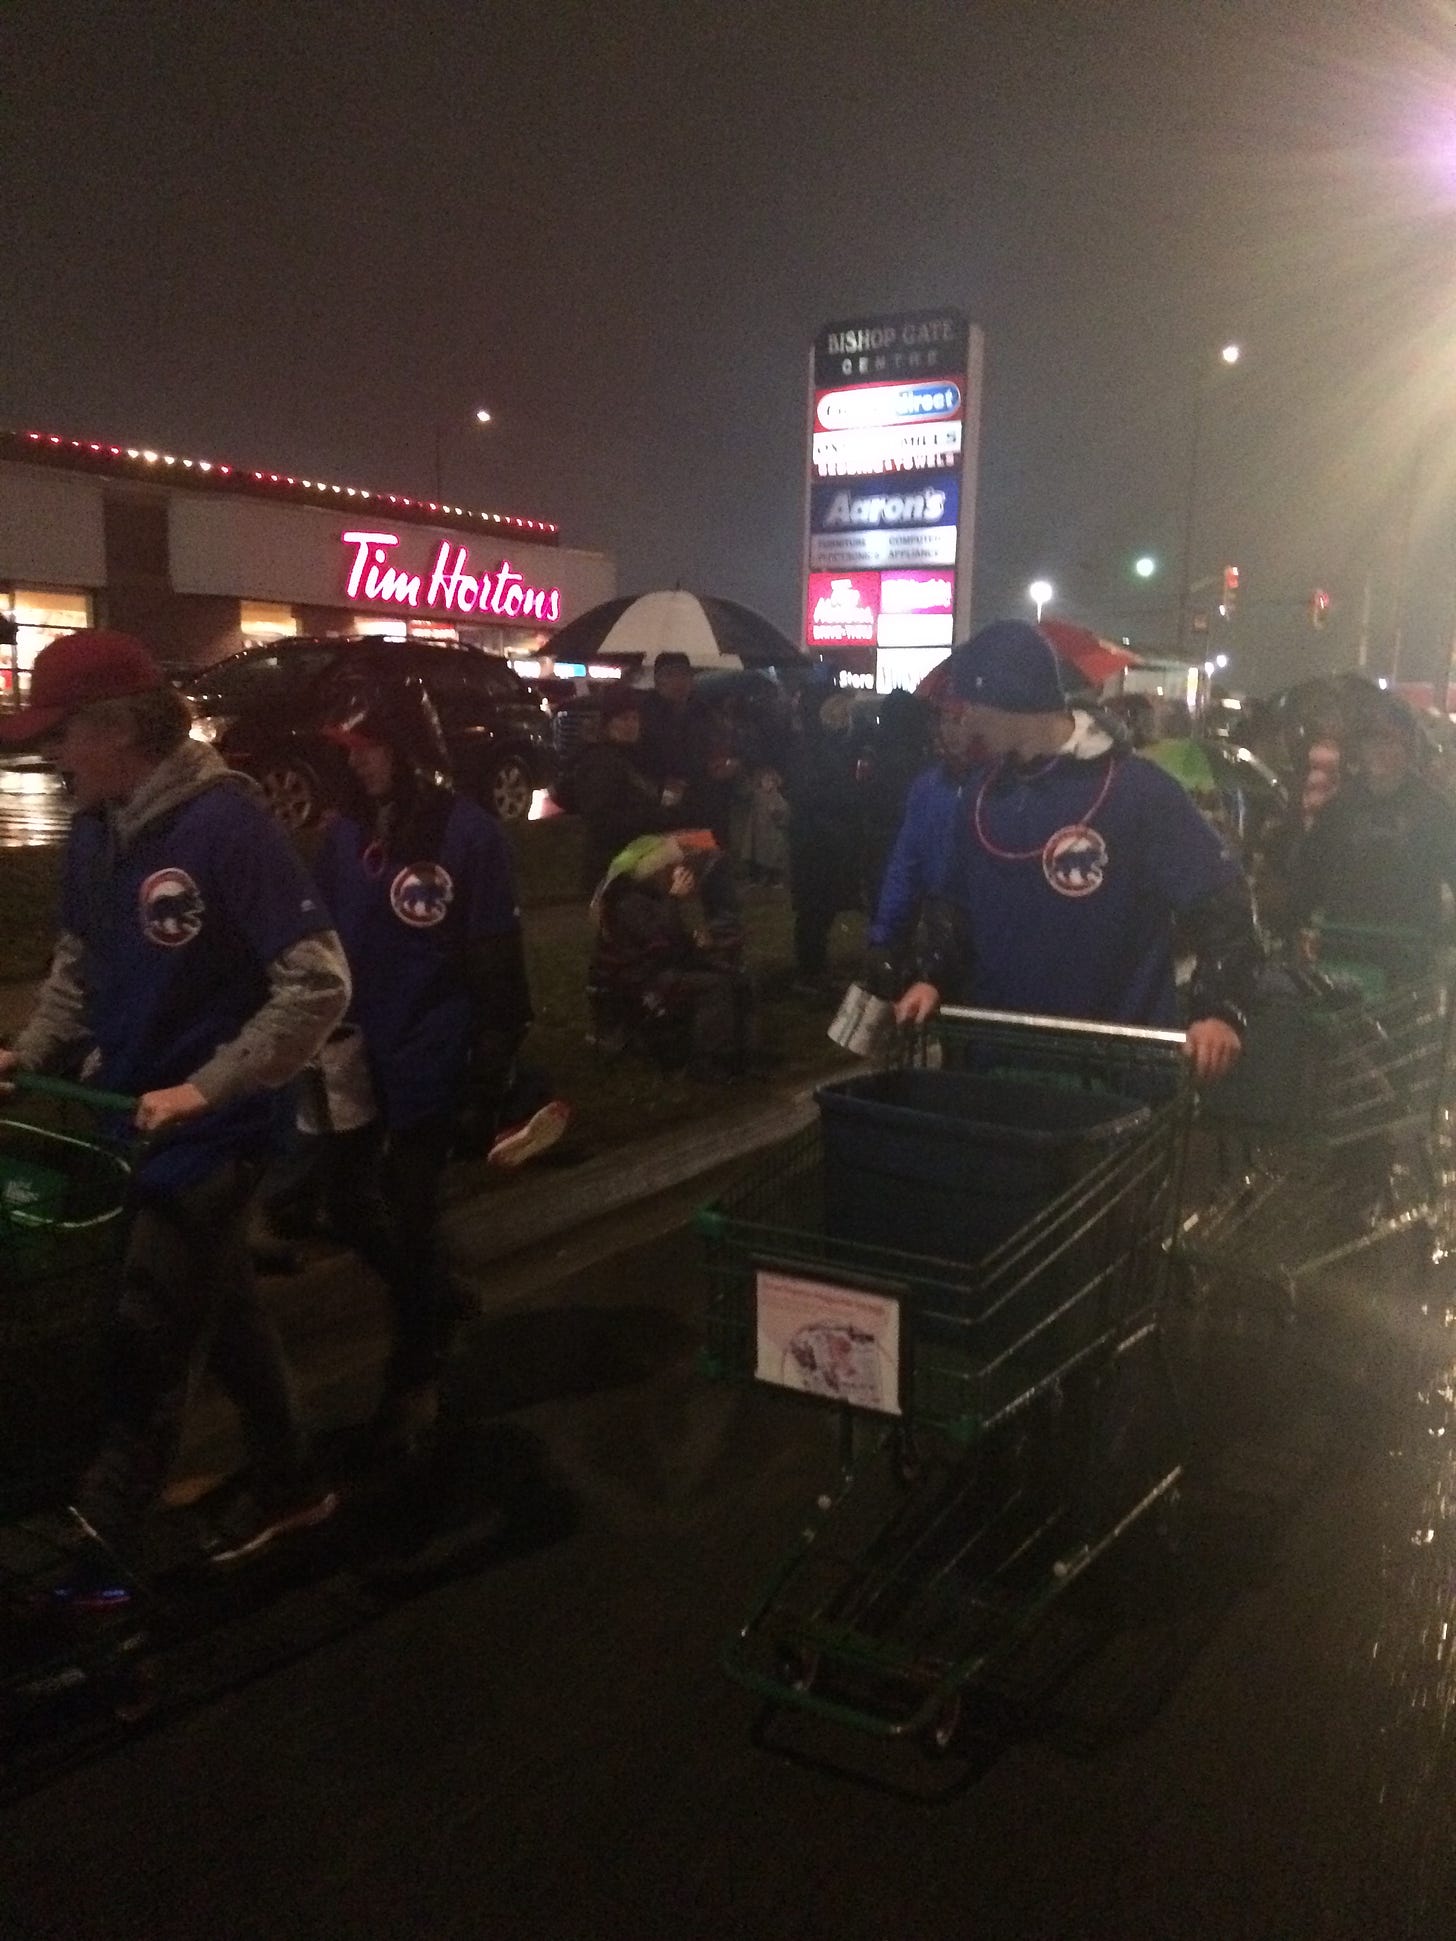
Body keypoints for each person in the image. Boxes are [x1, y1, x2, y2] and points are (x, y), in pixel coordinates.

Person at [0, 629, 352, 1585]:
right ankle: (292, 1482)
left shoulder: (227, 830)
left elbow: (317, 987)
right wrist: (27, 1056)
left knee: (148, 1350)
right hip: (134, 1124)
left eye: (63, 734)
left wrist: (207, 1087)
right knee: (220, 1302)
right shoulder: (97, 832)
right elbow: (79, 966)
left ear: (119, 730)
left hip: (215, 1134)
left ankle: (98, 1580)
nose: (52, 755)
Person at [309, 665, 560, 1451]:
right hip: (354, 1056)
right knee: (348, 1203)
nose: (355, 761)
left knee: (412, 1215)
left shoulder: (469, 836)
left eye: (368, 746)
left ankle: (414, 1377)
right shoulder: (343, 836)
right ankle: (440, 1296)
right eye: (347, 747)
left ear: (409, 747)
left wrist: (485, 1073)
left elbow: (495, 964)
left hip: (430, 1056)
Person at [892, 621, 1260, 1082]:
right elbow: (957, 905)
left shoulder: (1138, 791)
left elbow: (1222, 904)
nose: (962, 722)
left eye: (970, 706)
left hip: (1114, 1075)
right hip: (998, 1060)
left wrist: (1218, 1010)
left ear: (1008, 700)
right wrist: (933, 976)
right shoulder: (980, 797)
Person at [1289, 695, 1456, 978]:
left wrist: (1444, 935)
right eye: (1371, 742)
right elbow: (1310, 866)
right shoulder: (1340, 807)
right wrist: (1297, 919)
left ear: (1407, 747)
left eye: (1388, 741)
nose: (1378, 751)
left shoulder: (1432, 809)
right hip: (1344, 945)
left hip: (1406, 954)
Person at [588, 830, 756, 1081]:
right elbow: (659, 938)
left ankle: (744, 1053)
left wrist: (699, 943)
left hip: (652, 967)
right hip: (637, 978)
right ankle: (708, 1061)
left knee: (738, 977)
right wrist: (675, 899)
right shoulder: (628, 901)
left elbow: (667, 941)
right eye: (670, 867)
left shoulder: (651, 897)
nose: (676, 872)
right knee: (715, 986)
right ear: (654, 870)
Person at [556, 685, 678, 892]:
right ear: (607, 724)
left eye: (634, 719)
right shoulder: (602, 762)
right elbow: (602, 819)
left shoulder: (632, 758)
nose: (631, 725)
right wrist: (655, 817)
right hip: (615, 865)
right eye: (623, 719)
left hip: (632, 860)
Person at [783, 687, 864, 997]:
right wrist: (849, 797)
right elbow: (810, 793)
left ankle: (815, 968)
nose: (844, 717)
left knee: (822, 909)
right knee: (814, 910)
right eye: (837, 711)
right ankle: (809, 972)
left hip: (827, 838)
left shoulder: (834, 745)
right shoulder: (810, 748)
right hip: (814, 841)